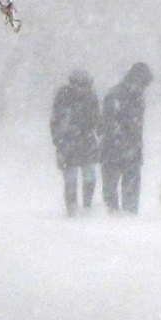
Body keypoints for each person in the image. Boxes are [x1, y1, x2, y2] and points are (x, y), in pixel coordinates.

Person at [99, 61, 153, 214]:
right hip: (117, 148)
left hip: (123, 148)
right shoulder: (118, 96)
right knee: (120, 186)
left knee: (116, 186)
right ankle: (120, 216)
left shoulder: (125, 95)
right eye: (144, 83)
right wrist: (123, 141)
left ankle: (121, 215)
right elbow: (109, 123)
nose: (145, 88)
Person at [50, 69, 100, 217]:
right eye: (79, 85)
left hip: (87, 143)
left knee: (89, 177)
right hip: (68, 144)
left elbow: (96, 119)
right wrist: (59, 142)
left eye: (85, 86)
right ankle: (72, 210)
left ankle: (87, 208)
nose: (82, 89)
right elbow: (55, 122)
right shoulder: (63, 97)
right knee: (70, 179)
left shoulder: (91, 98)